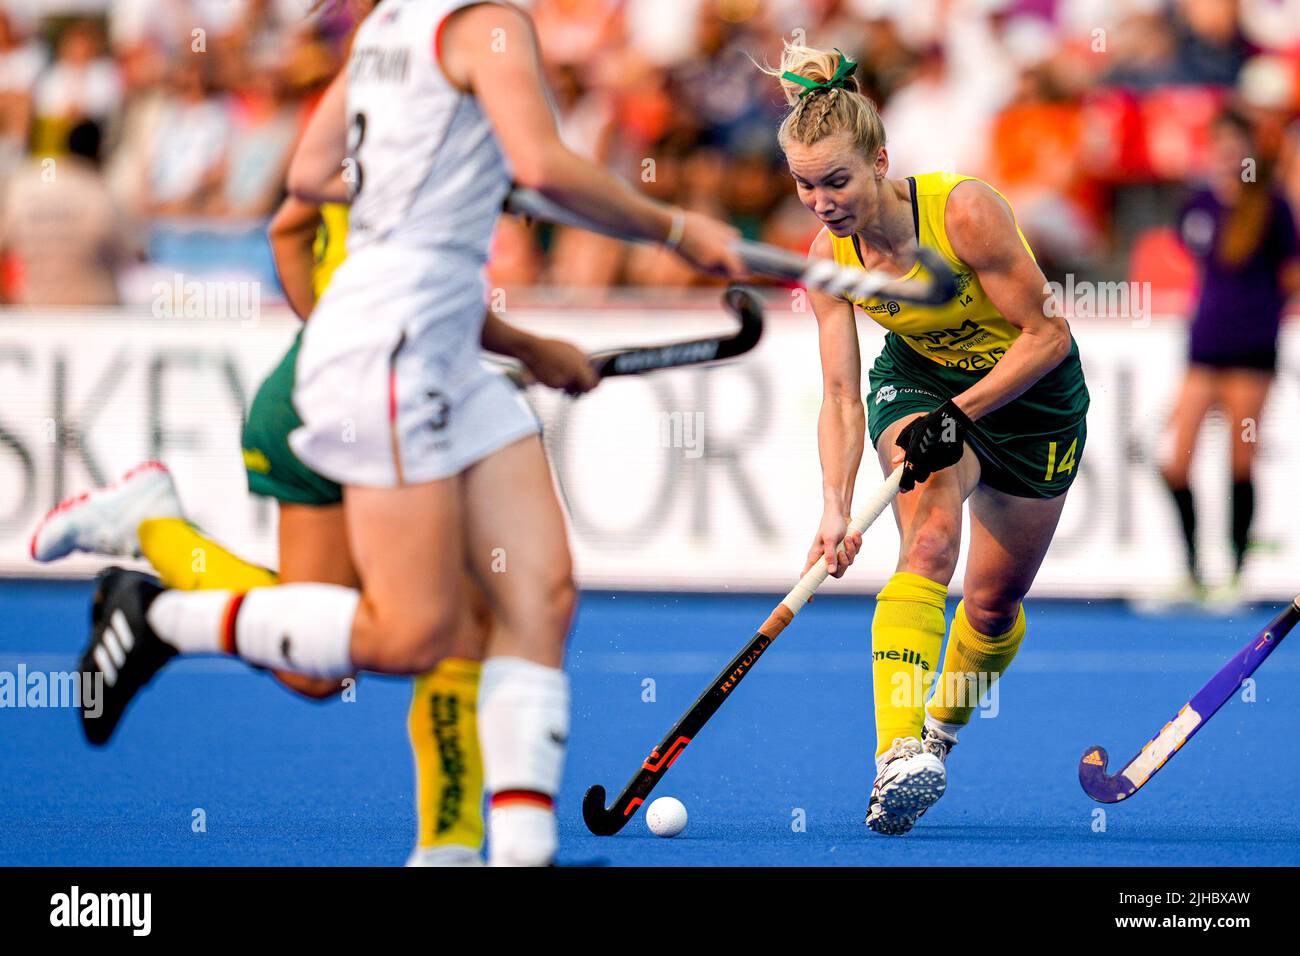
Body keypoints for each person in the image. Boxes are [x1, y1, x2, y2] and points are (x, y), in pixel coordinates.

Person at [79, 0, 744, 867]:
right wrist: (678, 229)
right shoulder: (483, 25)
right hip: (393, 347)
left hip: (441, 343)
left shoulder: (388, 27)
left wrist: (452, 193)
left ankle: (520, 848)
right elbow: (542, 163)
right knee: (413, 634)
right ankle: (165, 616)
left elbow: (313, 172)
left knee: (537, 592)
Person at [765, 45, 1089, 835]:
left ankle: (939, 731)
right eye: (806, 186)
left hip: (1036, 404)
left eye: (837, 181)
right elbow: (842, 395)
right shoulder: (827, 257)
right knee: (930, 542)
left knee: (990, 602)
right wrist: (834, 507)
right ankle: (896, 752)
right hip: (919, 386)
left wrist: (964, 415)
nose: (823, 203)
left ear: (879, 161)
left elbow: (1045, 336)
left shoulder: (964, 212)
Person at [1158, 108, 1300, 611]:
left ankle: (1236, 573)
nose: (1222, 153)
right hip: (1206, 343)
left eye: (1231, 144)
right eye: (1215, 142)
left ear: (1248, 151)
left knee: (1241, 458)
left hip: (1252, 347)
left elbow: (1291, 272)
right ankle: (1194, 570)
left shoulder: (1272, 205)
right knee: (1175, 462)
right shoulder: (1197, 203)